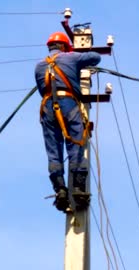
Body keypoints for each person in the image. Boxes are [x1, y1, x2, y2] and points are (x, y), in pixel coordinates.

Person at [34, 32, 101, 212]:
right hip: (68, 103)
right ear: (64, 46)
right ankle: (78, 189)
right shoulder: (70, 57)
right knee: (76, 143)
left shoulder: (39, 66)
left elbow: (42, 89)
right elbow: (95, 57)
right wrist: (74, 56)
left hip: (47, 107)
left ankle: (60, 190)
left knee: (53, 150)